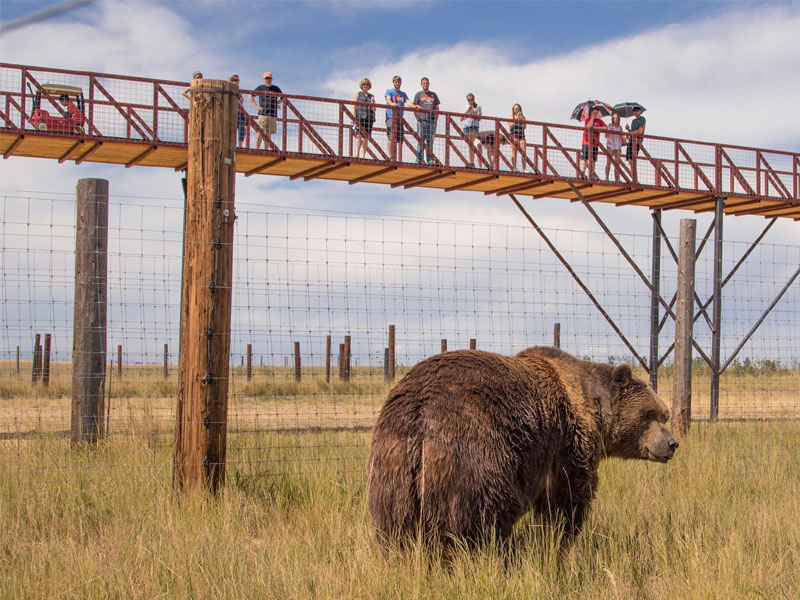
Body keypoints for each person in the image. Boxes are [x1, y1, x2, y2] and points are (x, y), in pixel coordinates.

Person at [249, 71, 283, 150]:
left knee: (269, 133)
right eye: (266, 78)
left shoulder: (276, 88)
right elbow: (250, 95)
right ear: (263, 79)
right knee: (260, 131)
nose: (268, 79)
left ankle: (266, 149)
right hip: (263, 113)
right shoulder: (260, 87)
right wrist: (256, 106)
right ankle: (257, 149)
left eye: (269, 78)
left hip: (272, 113)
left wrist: (277, 103)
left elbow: (283, 97)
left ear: (272, 79)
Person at [384, 75, 415, 160]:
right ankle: (390, 156)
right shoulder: (389, 91)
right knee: (391, 136)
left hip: (400, 118)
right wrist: (392, 104)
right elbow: (388, 99)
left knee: (400, 137)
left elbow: (408, 102)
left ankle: (398, 157)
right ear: (393, 82)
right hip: (391, 116)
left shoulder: (403, 94)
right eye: (395, 82)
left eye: (398, 82)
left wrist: (414, 106)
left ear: (401, 83)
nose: (397, 83)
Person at [413, 77, 441, 165]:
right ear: (421, 84)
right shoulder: (419, 94)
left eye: (426, 83)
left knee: (430, 140)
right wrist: (417, 117)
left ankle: (430, 159)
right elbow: (415, 107)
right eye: (424, 83)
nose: (425, 84)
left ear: (429, 84)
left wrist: (436, 119)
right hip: (422, 120)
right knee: (421, 140)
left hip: (431, 120)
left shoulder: (433, 95)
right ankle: (419, 159)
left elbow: (437, 108)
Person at [580, 105, 607, 179]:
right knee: (585, 158)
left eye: (597, 113)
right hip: (586, 142)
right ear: (591, 112)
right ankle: (582, 173)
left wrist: (595, 128)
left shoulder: (599, 121)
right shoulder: (587, 119)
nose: (595, 114)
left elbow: (606, 127)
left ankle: (592, 173)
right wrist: (592, 118)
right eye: (594, 112)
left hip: (595, 143)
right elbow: (588, 126)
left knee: (593, 159)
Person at [352, 77, 376, 159]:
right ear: (362, 85)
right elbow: (354, 106)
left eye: (367, 84)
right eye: (364, 84)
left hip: (369, 117)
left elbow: (374, 109)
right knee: (358, 135)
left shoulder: (371, 96)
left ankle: (363, 155)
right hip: (359, 116)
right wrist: (353, 116)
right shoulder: (358, 94)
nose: (365, 86)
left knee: (366, 137)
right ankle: (357, 153)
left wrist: (373, 102)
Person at [625, 106, 646, 181]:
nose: (636, 112)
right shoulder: (633, 121)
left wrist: (629, 132)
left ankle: (635, 179)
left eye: (637, 111)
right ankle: (634, 178)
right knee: (630, 160)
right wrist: (628, 130)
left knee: (633, 160)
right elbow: (632, 132)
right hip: (631, 141)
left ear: (640, 111)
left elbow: (640, 131)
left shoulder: (642, 119)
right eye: (634, 111)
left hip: (637, 141)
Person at [461, 93, 482, 167]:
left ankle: (472, 162)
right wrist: (467, 111)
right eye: (469, 100)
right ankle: (471, 162)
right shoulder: (466, 107)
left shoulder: (478, 106)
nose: (470, 101)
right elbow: (461, 119)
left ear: (474, 99)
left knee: (472, 144)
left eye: (471, 100)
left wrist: (474, 113)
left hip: (474, 126)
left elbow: (479, 118)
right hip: (466, 127)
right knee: (470, 145)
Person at [604, 112, 625, 182]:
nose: (615, 119)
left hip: (618, 146)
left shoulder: (620, 127)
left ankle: (617, 179)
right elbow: (606, 136)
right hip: (610, 145)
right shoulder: (610, 126)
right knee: (608, 162)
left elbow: (622, 137)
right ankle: (607, 177)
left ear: (619, 119)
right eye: (614, 118)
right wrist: (609, 132)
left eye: (616, 118)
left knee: (617, 163)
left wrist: (623, 135)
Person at [507, 103, 527, 172]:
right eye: (515, 109)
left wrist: (522, 120)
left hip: (521, 134)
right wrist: (516, 119)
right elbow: (510, 126)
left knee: (523, 151)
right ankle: (514, 168)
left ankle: (524, 168)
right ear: (513, 110)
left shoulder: (522, 116)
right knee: (514, 151)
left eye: (518, 109)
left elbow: (525, 127)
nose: (517, 110)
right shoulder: (511, 116)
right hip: (514, 134)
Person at [230, 74, 247, 148]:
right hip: (231, 111)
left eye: (238, 80)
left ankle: (240, 145)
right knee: (231, 128)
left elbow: (241, 100)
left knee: (242, 128)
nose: (237, 81)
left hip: (239, 111)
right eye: (235, 80)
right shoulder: (230, 88)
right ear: (231, 81)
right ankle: (231, 144)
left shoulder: (238, 90)